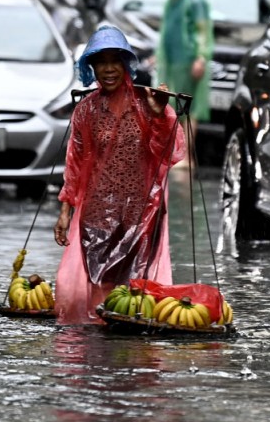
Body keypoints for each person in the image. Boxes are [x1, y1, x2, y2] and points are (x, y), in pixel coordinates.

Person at [53, 25, 187, 325]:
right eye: (101, 62)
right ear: (92, 67)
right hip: (98, 211)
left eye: (115, 61)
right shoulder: (86, 111)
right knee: (100, 284)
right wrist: (65, 212)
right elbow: (74, 166)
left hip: (141, 210)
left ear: (126, 65)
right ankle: (99, 352)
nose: (109, 69)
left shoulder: (146, 103)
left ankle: (127, 357)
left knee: (133, 288)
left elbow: (170, 152)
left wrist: (158, 114)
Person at [155, 0, 213, 170]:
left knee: (188, 108)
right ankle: (175, 154)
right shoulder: (173, 1)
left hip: (189, 62)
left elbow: (202, 30)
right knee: (172, 107)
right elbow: (166, 33)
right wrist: (158, 55)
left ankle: (186, 157)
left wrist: (201, 56)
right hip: (172, 63)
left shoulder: (194, 0)